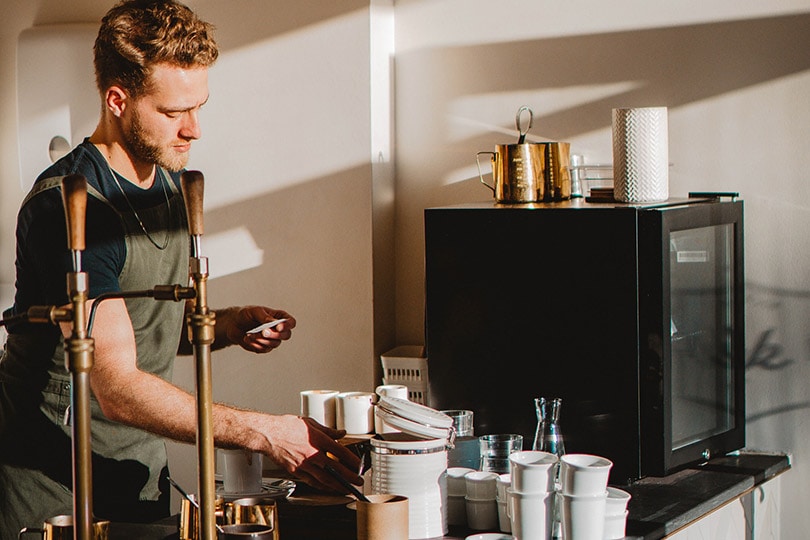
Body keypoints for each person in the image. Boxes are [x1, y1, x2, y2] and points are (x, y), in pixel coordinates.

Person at [0, 0, 360, 535]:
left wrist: (231, 324)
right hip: (56, 494)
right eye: (173, 113)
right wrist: (266, 433)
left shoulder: (168, 183)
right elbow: (117, 385)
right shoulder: (69, 208)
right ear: (117, 100)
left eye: (198, 107)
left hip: (137, 478)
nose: (193, 130)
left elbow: (140, 329)